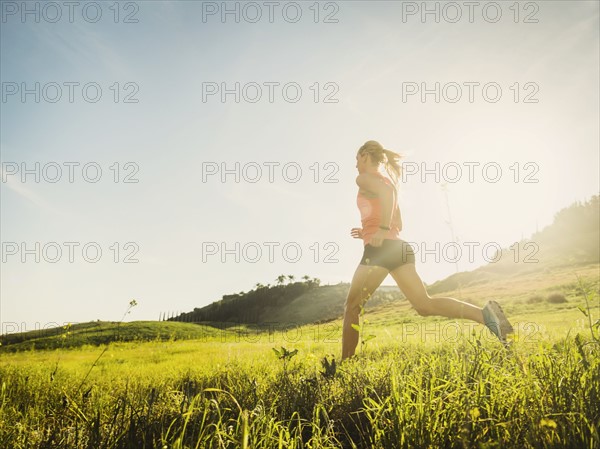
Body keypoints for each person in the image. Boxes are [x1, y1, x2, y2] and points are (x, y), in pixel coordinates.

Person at [341, 140, 513, 360]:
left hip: (382, 249)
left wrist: (380, 229)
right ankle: (487, 316)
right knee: (424, 305)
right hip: (398, 248)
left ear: (365, 155)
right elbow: (399, 223)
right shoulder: (387, 181)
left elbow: (386, 202)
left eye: (357, 159)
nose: (355, 165)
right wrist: (368, 229)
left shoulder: (364, 178)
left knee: (352, 307)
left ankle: (343, 365)